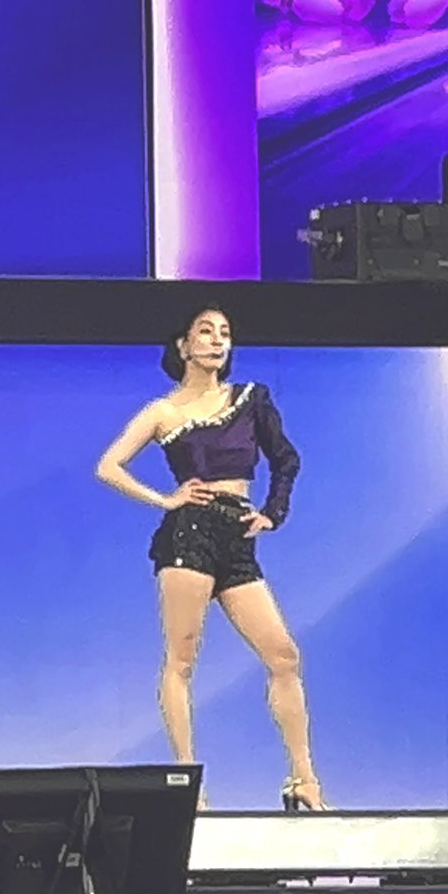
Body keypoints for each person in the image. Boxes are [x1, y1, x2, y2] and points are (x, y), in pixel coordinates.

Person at [94, 305, 328, 812]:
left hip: (237, 534)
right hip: (190, 535)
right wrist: (165, 499)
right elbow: (108, 466)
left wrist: (273, 512)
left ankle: (304, 779)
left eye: (225, 333)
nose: (217, 340)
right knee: (182, 659)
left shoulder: (250, 398)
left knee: (284, 655)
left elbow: (285, 459)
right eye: (205, 331)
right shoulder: (163, 412)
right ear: (183, 345)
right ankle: (188, 782)